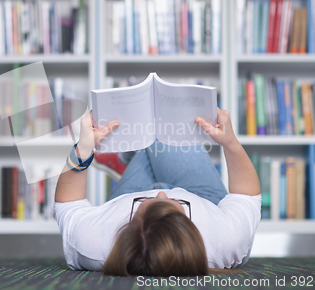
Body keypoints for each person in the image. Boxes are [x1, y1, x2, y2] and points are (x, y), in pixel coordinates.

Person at [54, 108, 261, 276]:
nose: (162, 194)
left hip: (124, 198)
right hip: (202, 197)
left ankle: (126, 159)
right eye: (175, 204)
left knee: (149, 131)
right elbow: (247, 194)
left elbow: (68, 203)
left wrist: (83, 149)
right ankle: (129, 157)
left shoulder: (93, 244)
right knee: (165, 124)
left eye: (146, 202)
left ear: (126, 228)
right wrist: (230, 142)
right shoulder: (227, 239)